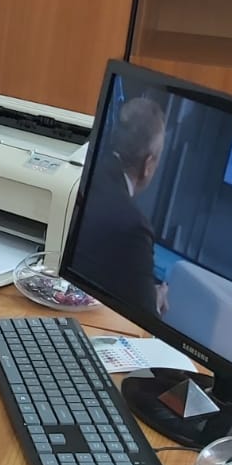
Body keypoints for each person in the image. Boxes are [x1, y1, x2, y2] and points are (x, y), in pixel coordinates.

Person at [71, 96, 169, 316]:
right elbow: (144, 316)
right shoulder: (134, 227)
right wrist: (156, 300)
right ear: (148, 164)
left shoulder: (85, 173)